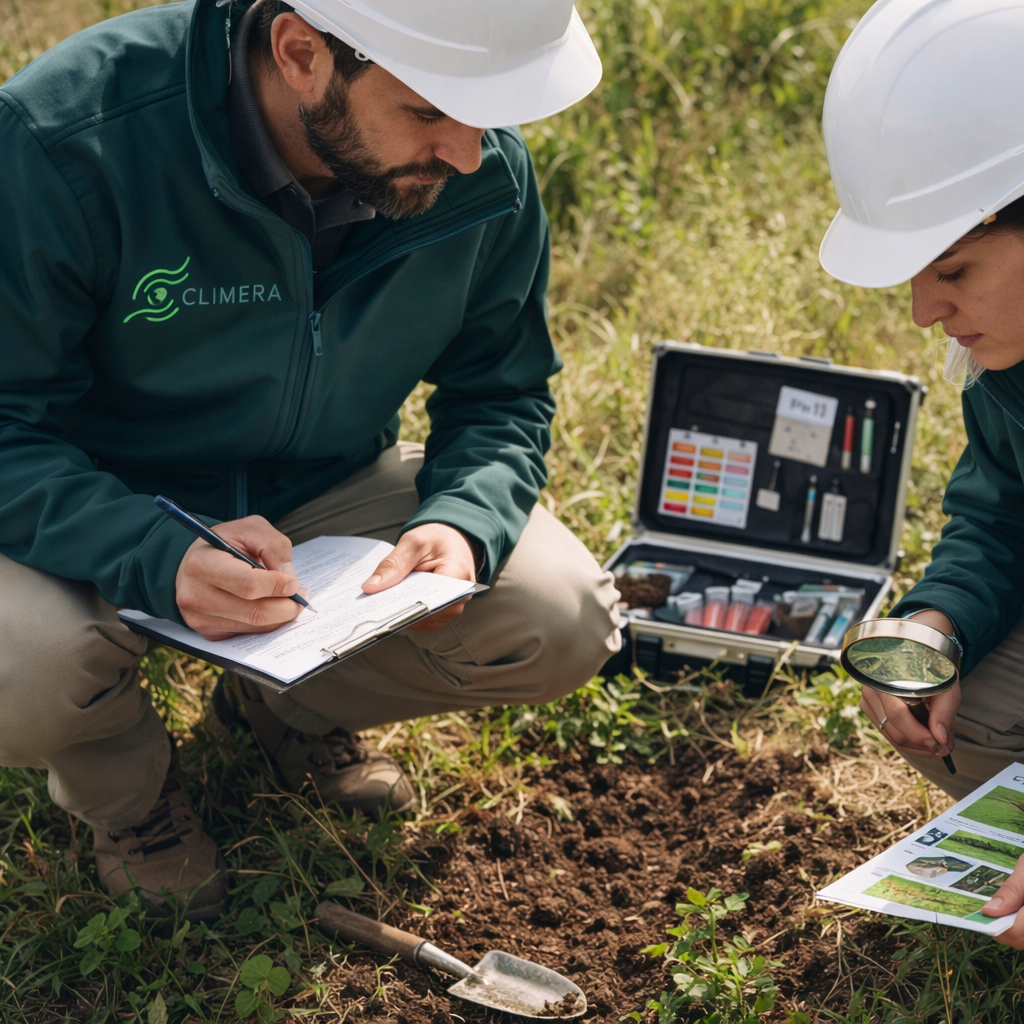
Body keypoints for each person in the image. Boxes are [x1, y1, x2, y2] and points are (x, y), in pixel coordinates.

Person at [0, 0, 620, 921]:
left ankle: (284, 708)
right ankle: (127, 796)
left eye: (486, 115)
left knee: (558, 615)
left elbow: (500, 391)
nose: (466, 152)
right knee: (22, 664)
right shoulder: (65, 137)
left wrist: (461, 520)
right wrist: (152, 551)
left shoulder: (478, 158)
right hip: (104, 505)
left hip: (323, 490)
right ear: (301, 53)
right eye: (428, 113)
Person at [817, 0, 1024, 945]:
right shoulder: (1007, 362)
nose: (922, 313)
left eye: (954, 270)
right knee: (967, 713)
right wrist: (936, 622)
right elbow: (1001, 514)